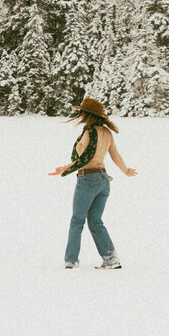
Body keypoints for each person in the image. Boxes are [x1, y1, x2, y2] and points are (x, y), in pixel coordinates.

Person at [48, 97, 137, 269]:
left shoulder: (89, 133)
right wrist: (126, 171)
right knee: (95, 221)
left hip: (88, 179)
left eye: (81, 112)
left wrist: (64, 169)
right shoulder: (106, 133)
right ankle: (111, 259)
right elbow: (115, 156)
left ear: (87, 114)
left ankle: (71, 261)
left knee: (77, 221)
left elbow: (84, 158)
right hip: (103, 180)